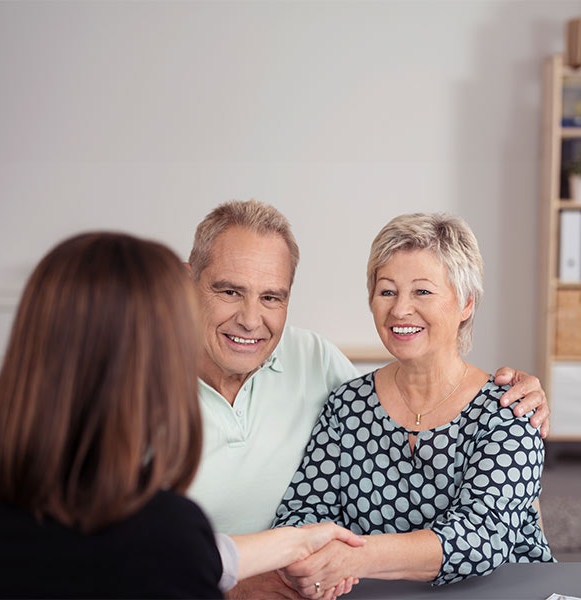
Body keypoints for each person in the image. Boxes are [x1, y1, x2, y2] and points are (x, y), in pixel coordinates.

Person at [184, 200, 552, 599]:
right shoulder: (347, 403)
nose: (401, 309)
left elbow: (482, 536)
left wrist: (355, 558)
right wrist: (309, 562)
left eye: (423, 291)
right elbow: (303, 512)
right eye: (387, 291)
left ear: (466, 303)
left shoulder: (510, 407)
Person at [0, 231, 364, 600]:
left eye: (270, 297)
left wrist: (293, 542)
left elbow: (184, 553)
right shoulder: (165, 528)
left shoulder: (11, 507)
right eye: (228, 292)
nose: (249, 319)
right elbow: (173, 553)